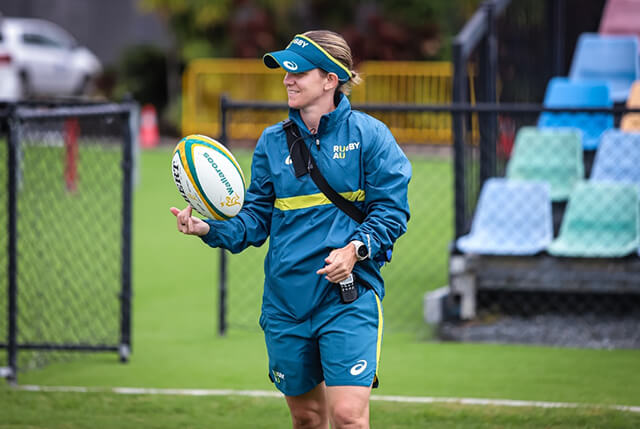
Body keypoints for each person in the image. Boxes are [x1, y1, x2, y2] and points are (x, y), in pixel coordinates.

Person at [171, 30, 411, 429]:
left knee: (349, 417)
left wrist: (355, 250)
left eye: (298, 71)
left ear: (330, 79)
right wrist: (206, 228)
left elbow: (391, 212)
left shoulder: (371, 137)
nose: (287, 79)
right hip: (286, 304)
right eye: (285, 71)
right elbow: (254, 220)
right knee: (307, 418)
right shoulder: (270, 143)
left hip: (347, 299)